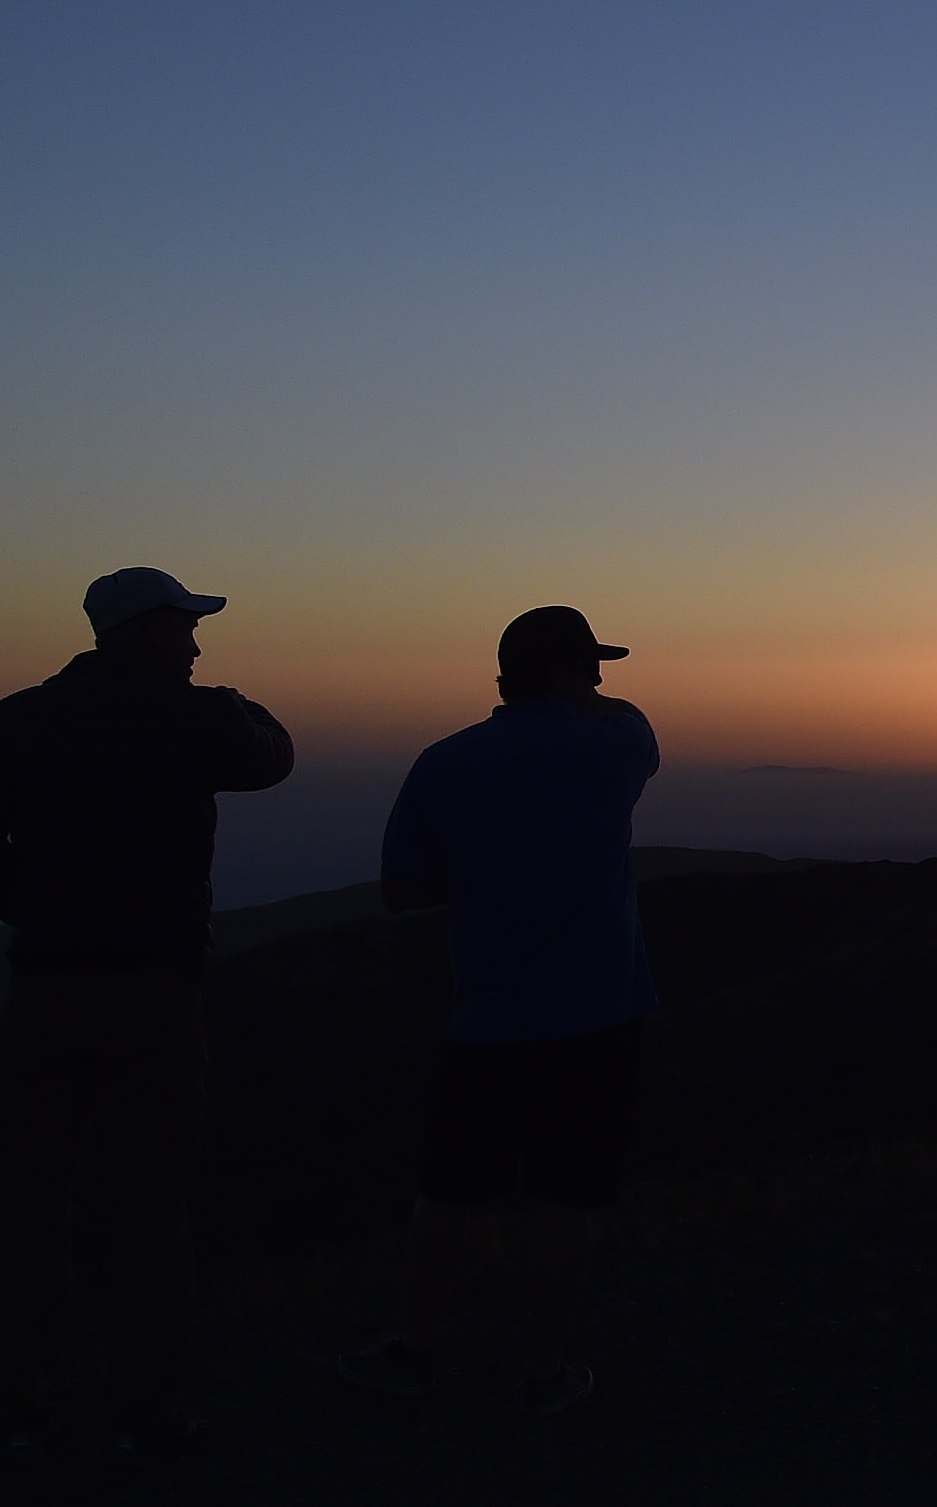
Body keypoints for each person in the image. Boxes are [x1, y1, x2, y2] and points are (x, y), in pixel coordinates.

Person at [0, 566, 295, 1457]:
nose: (197, 645)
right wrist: (232, 700)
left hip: (46, 987)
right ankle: (145, 1407)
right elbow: (275, 756)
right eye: (184, 629)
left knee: (29, 1206)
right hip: (152, 992)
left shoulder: (23, 714)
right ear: (145, 634)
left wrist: (37, 906)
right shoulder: (196, 715)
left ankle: (20, 1400)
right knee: (151, 1210)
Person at [340, 606, 660, 1417]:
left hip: (486, 1020)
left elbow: (403, 891)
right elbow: (629, 718)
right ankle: (545, 1369)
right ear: (563, 672)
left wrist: (490, 877)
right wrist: (582, 700)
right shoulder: (613, 745)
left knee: (447, 1192)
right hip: (596, 1019)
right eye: (591, 666)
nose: (601, 680)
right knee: (566, 1198)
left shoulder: (442, 762)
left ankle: (415, 1347)